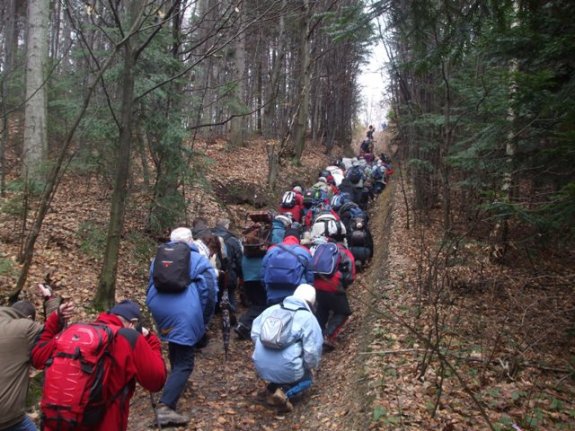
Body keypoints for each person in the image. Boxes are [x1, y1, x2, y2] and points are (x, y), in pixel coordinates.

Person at [31, 299, 166, 431]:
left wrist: (55, 319)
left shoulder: (73, 333)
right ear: (133, 323)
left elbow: (37, 357)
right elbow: (156, 381)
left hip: (57, 422)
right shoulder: (129, 338)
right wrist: (150, 339)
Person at [147, 227, 218, 426]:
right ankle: (166, 408)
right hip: (184, 311)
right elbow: (209, 293)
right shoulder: (199, 260)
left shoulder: (158, 259)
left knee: (175, 342)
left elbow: (150, 284)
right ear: (191, 241)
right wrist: (203, 320)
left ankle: (176, 383)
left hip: (159, 308)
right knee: (186, 362)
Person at [0, 287, 73, 431]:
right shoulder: (24, 329)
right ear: (28, 319)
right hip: (7, 419)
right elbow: (54, 342)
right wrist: (52, 303)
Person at [251, 284, 323, 412]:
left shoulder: (271, 310)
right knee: (307, 379)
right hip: (288, 369)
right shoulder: (308, 318)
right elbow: (312, 351)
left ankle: (272, 388)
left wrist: (265, 351)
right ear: (312, 302)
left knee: (281, 366)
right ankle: (285, 395)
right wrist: (309, 367)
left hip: (260, 365)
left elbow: (254, 334)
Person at [311, 237, 356, 351]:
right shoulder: (343, 251)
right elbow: (351, 273)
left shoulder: (321, 250)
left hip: (317, 284)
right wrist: (344, 283)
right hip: (333, 285)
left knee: (322, 310)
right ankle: (328, 336)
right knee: (343, 311)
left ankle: (315, 336)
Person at [261, 227, 314, 306]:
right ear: (298, 239)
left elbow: (263, 273)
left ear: (284, 238)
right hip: (296, 295)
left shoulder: (272, 250)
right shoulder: (304, 251)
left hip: (273, 294)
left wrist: (267, 289)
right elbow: (309, 275)